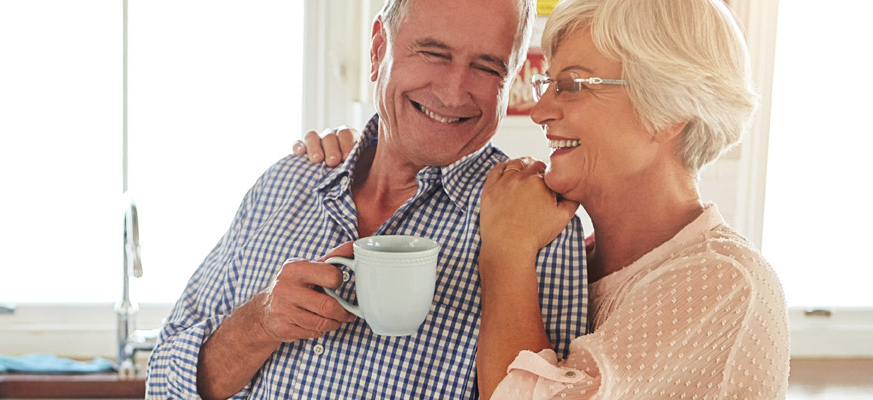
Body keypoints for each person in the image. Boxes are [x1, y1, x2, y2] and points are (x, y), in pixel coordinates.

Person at [300, 0, 789, 398]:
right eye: (546, 82)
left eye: (572, 86)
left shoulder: (725, 280)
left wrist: (506, 248)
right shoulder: (575, 255)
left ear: (668, 110)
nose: (540, 111)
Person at [145, 0, 591, 399]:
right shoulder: (285, 184)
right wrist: (259, 324)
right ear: (379, 49)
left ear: (511, 79)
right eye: (434, 53)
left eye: (489, 67)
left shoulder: (538, 227)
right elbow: (162, 385)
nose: (454, 92)